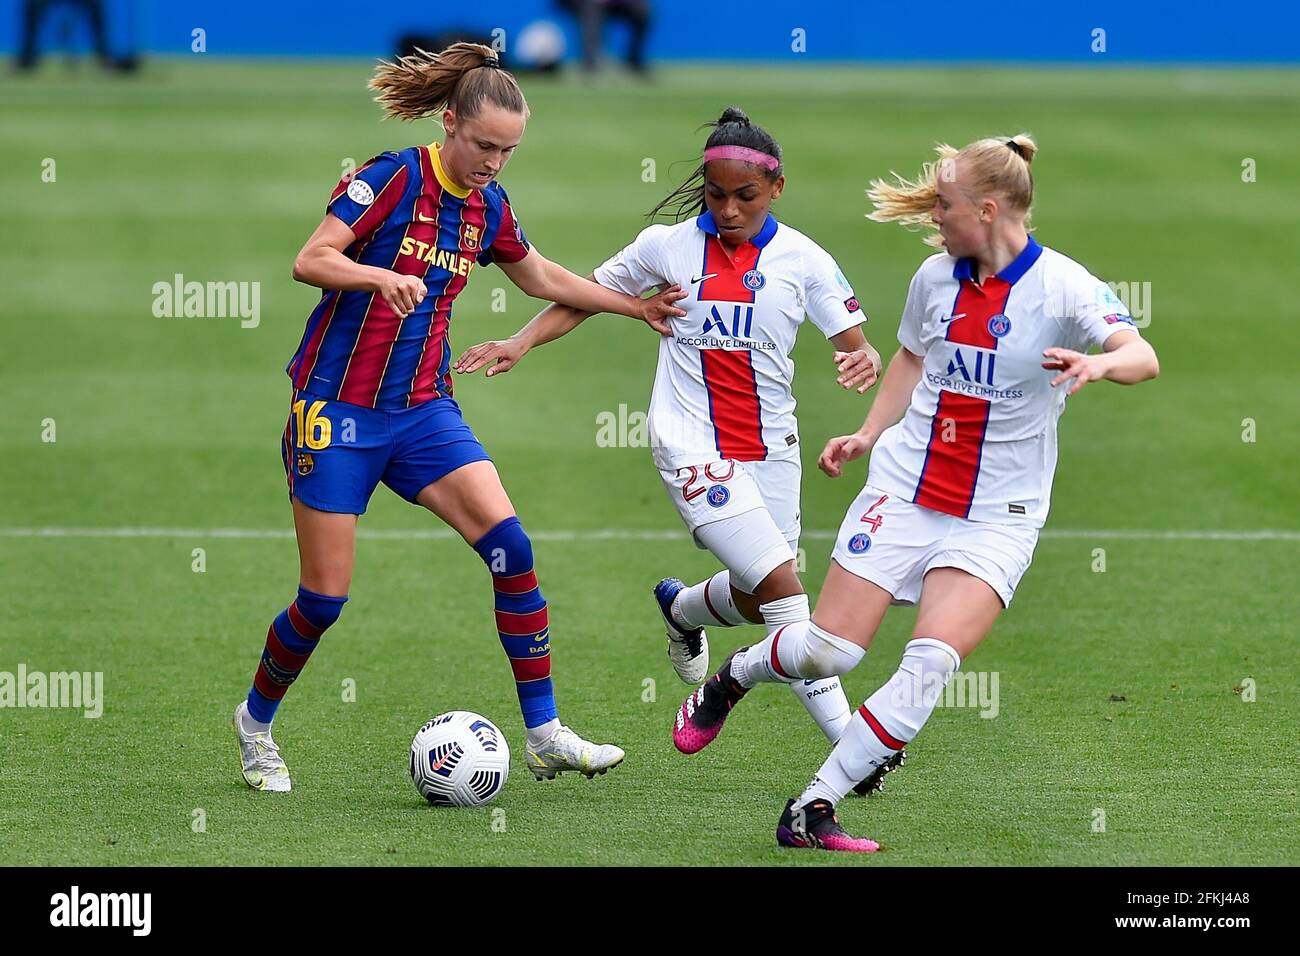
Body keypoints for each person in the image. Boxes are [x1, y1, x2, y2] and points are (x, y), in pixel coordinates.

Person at [670, 133, 1161, 851]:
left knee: (930, 663)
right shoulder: (935, 277)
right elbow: (910, 356)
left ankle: (812, 807)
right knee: (829, 653)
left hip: (999, 515)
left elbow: (1142, 355)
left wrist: (1098, 364)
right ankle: (734, 676)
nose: (934, 216)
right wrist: (868, 433)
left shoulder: (1064, 286)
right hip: (905, 490)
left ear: (987, 210)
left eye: (945, 204)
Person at [232, 42, 688, 793]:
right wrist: (377, 276)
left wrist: (632, 307)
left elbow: (539, 275)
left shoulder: (489, 206)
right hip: (335, 413)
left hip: (422, 412)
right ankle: (255, 726)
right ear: (450, 123)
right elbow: (311, 259)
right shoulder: (391, 177)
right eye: (484, 146)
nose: (493, 163)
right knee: (324, 599)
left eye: (508, 151)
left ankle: (544, 735)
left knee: (513, 549)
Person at [454, 107, 884, 757]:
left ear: (776, 189)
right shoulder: (667, 247)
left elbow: (855, 343)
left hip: (772, 449)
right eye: (716, 195)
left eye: (746, 196)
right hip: (689, 445)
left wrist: (863, 357)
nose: (729, 210)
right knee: (786, 599)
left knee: (752, 598)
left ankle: (682, 609)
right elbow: (585, 293)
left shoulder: (806, 261)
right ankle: (853, 749)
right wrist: (521, 340)